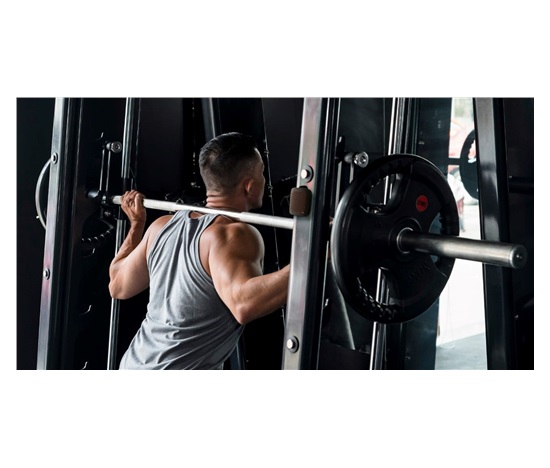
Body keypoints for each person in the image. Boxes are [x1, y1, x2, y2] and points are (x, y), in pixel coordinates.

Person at [109, 132, 291, 369]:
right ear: (249, 186)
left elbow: (117, 284)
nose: (265, 180)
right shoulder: (233, 234)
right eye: (262, 173)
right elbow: (244, 305)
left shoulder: (160, 226)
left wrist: (136, 224)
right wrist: (312, 257)